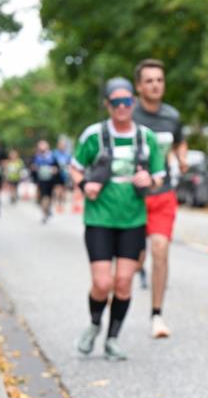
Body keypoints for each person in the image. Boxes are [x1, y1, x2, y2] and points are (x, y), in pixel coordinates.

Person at [70, 77, 165, 362]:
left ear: (133, 103)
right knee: (102, 284)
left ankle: (112, 339)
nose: (122, 108)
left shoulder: (146, 137)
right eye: (116, 103)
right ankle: (95, 324)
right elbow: (75, 169)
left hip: (132, 221)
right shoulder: (94, 136)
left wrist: (149, 179)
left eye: (126, 102)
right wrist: (84, 185)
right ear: (107, 105)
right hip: (99, 219)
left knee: (123, 282)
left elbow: (159, 178)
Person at [132, 59, 188, 338]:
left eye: (159, 80)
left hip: (163, 194)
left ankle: (157, 315)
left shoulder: (171, 116)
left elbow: (179, 140)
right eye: (149, 80)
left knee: (160, 250)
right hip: (132, 197)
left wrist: (182, 157)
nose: (155, 85)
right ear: (139, 86)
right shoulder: (129, 116)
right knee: (135, 258)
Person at [30, 140, 59, 223]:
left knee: (49, 196)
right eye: (41, 146)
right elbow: (31, 167)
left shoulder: (52, 156)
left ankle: (48, 209)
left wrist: (54, 170)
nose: (42, 147)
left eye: (44, 145)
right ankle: (44, 214)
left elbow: (57, 168)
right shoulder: (36, 156)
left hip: (50, 180)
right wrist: (35, 168)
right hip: (41, 180)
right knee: (44, 196)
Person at [53, 136, 73, 213]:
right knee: (57, 189)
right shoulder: (54, 153)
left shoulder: (68, 155)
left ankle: (61, 204)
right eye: (61, 145)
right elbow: (51, 163)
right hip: (57, 174)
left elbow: (70, 164)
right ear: (58, 145)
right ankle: (57, 203)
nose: (62, 147)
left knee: (64, 190)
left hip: (65, 174)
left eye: (64, 145)